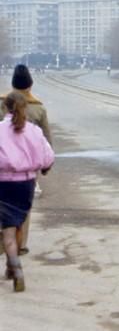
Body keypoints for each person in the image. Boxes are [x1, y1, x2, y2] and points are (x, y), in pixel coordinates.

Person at [0, 92, 55, 292]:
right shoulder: (33, 131)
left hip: (4, 185)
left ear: (5, 108)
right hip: (26, 185)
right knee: (19, 224)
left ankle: (17, 269)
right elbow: (48, 157)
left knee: (7, 230)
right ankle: (9, 268)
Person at [0, 65, 52, 259]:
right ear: (30, 85)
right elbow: (47, 141)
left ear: (12, 85)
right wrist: (46, 166)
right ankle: (19, 247)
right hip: (26, 173)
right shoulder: (38, 109)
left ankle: (6, 242)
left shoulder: (2, 104)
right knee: (22, 212)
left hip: (2, 171)